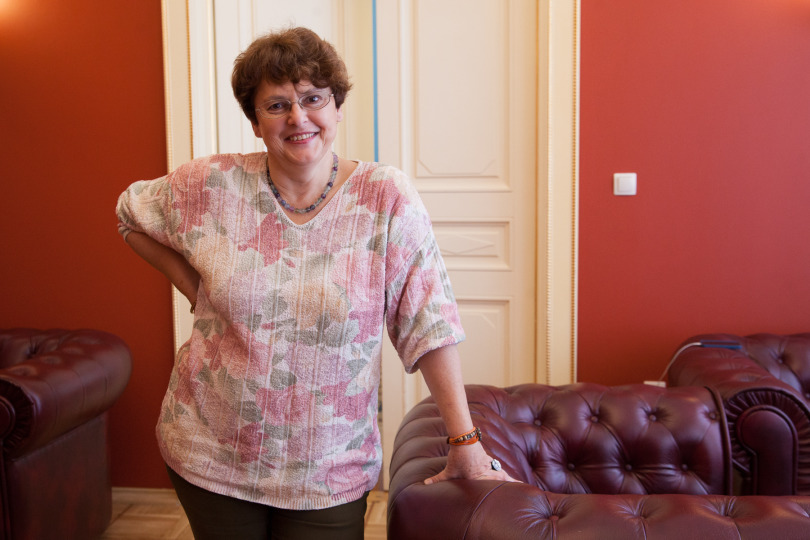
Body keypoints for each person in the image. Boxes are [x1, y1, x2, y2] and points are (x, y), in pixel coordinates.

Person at [116, 26, 514, 539]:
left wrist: (465, 441)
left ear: (337, 107)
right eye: (277, 105)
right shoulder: (211, 185)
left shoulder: (385, 198)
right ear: (255, 122)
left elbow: (429, 322)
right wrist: (194, 285)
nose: (298, 118)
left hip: (329, 470)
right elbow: (130, 213)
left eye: (312, 99)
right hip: (211, 452)